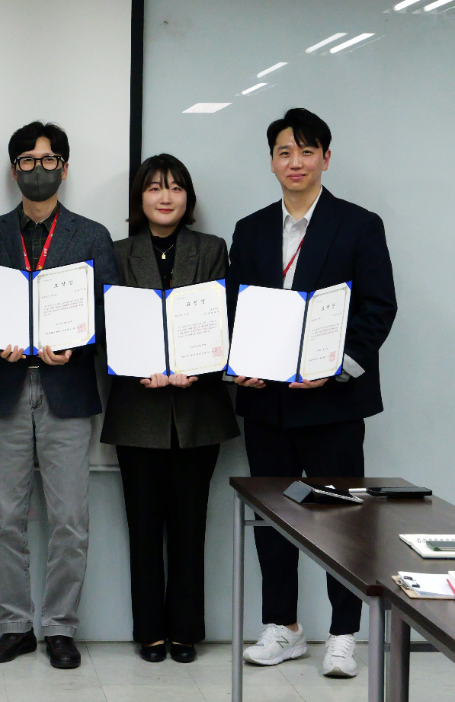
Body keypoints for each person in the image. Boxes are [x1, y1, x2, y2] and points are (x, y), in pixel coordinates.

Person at [227, 108, 397, 678]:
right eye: (284, 152)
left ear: (326, 157)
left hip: (334, 403)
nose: (294, 162)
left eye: (306, 151)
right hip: (267, 402)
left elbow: (378, 307)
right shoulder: (250, 229)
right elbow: (236, 310)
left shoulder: (359, 224)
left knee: (341, 520)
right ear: (271, 161)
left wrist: (337, 367)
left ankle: (344, 634)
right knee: (273, 519)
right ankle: (283, 627)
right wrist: (238, 363)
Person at [0, 122, 118, 669]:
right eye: (29, 161)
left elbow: (107, 313)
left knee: (69, 521)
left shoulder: (92, 235)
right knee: (5, 519)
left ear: (65, 166)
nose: (40, 168)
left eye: (49, 159)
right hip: (3, 385)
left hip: (68, 388)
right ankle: (15, 626)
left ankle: (60, 627)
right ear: (14, 171)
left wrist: (77, 347)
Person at [100, 154, 240, 664]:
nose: (165, 197)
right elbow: (106, 325)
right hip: (137, 408)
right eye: (155, 187)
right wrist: (134, 365)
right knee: (142, 529)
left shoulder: (212, 249)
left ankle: (185, 631)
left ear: (188, 197)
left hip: (198, 409)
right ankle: (150, 632)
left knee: (189, 527)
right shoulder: (117, 253)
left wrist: (197, 367)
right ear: (140, 198)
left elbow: (223, 319)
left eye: (176, 187)